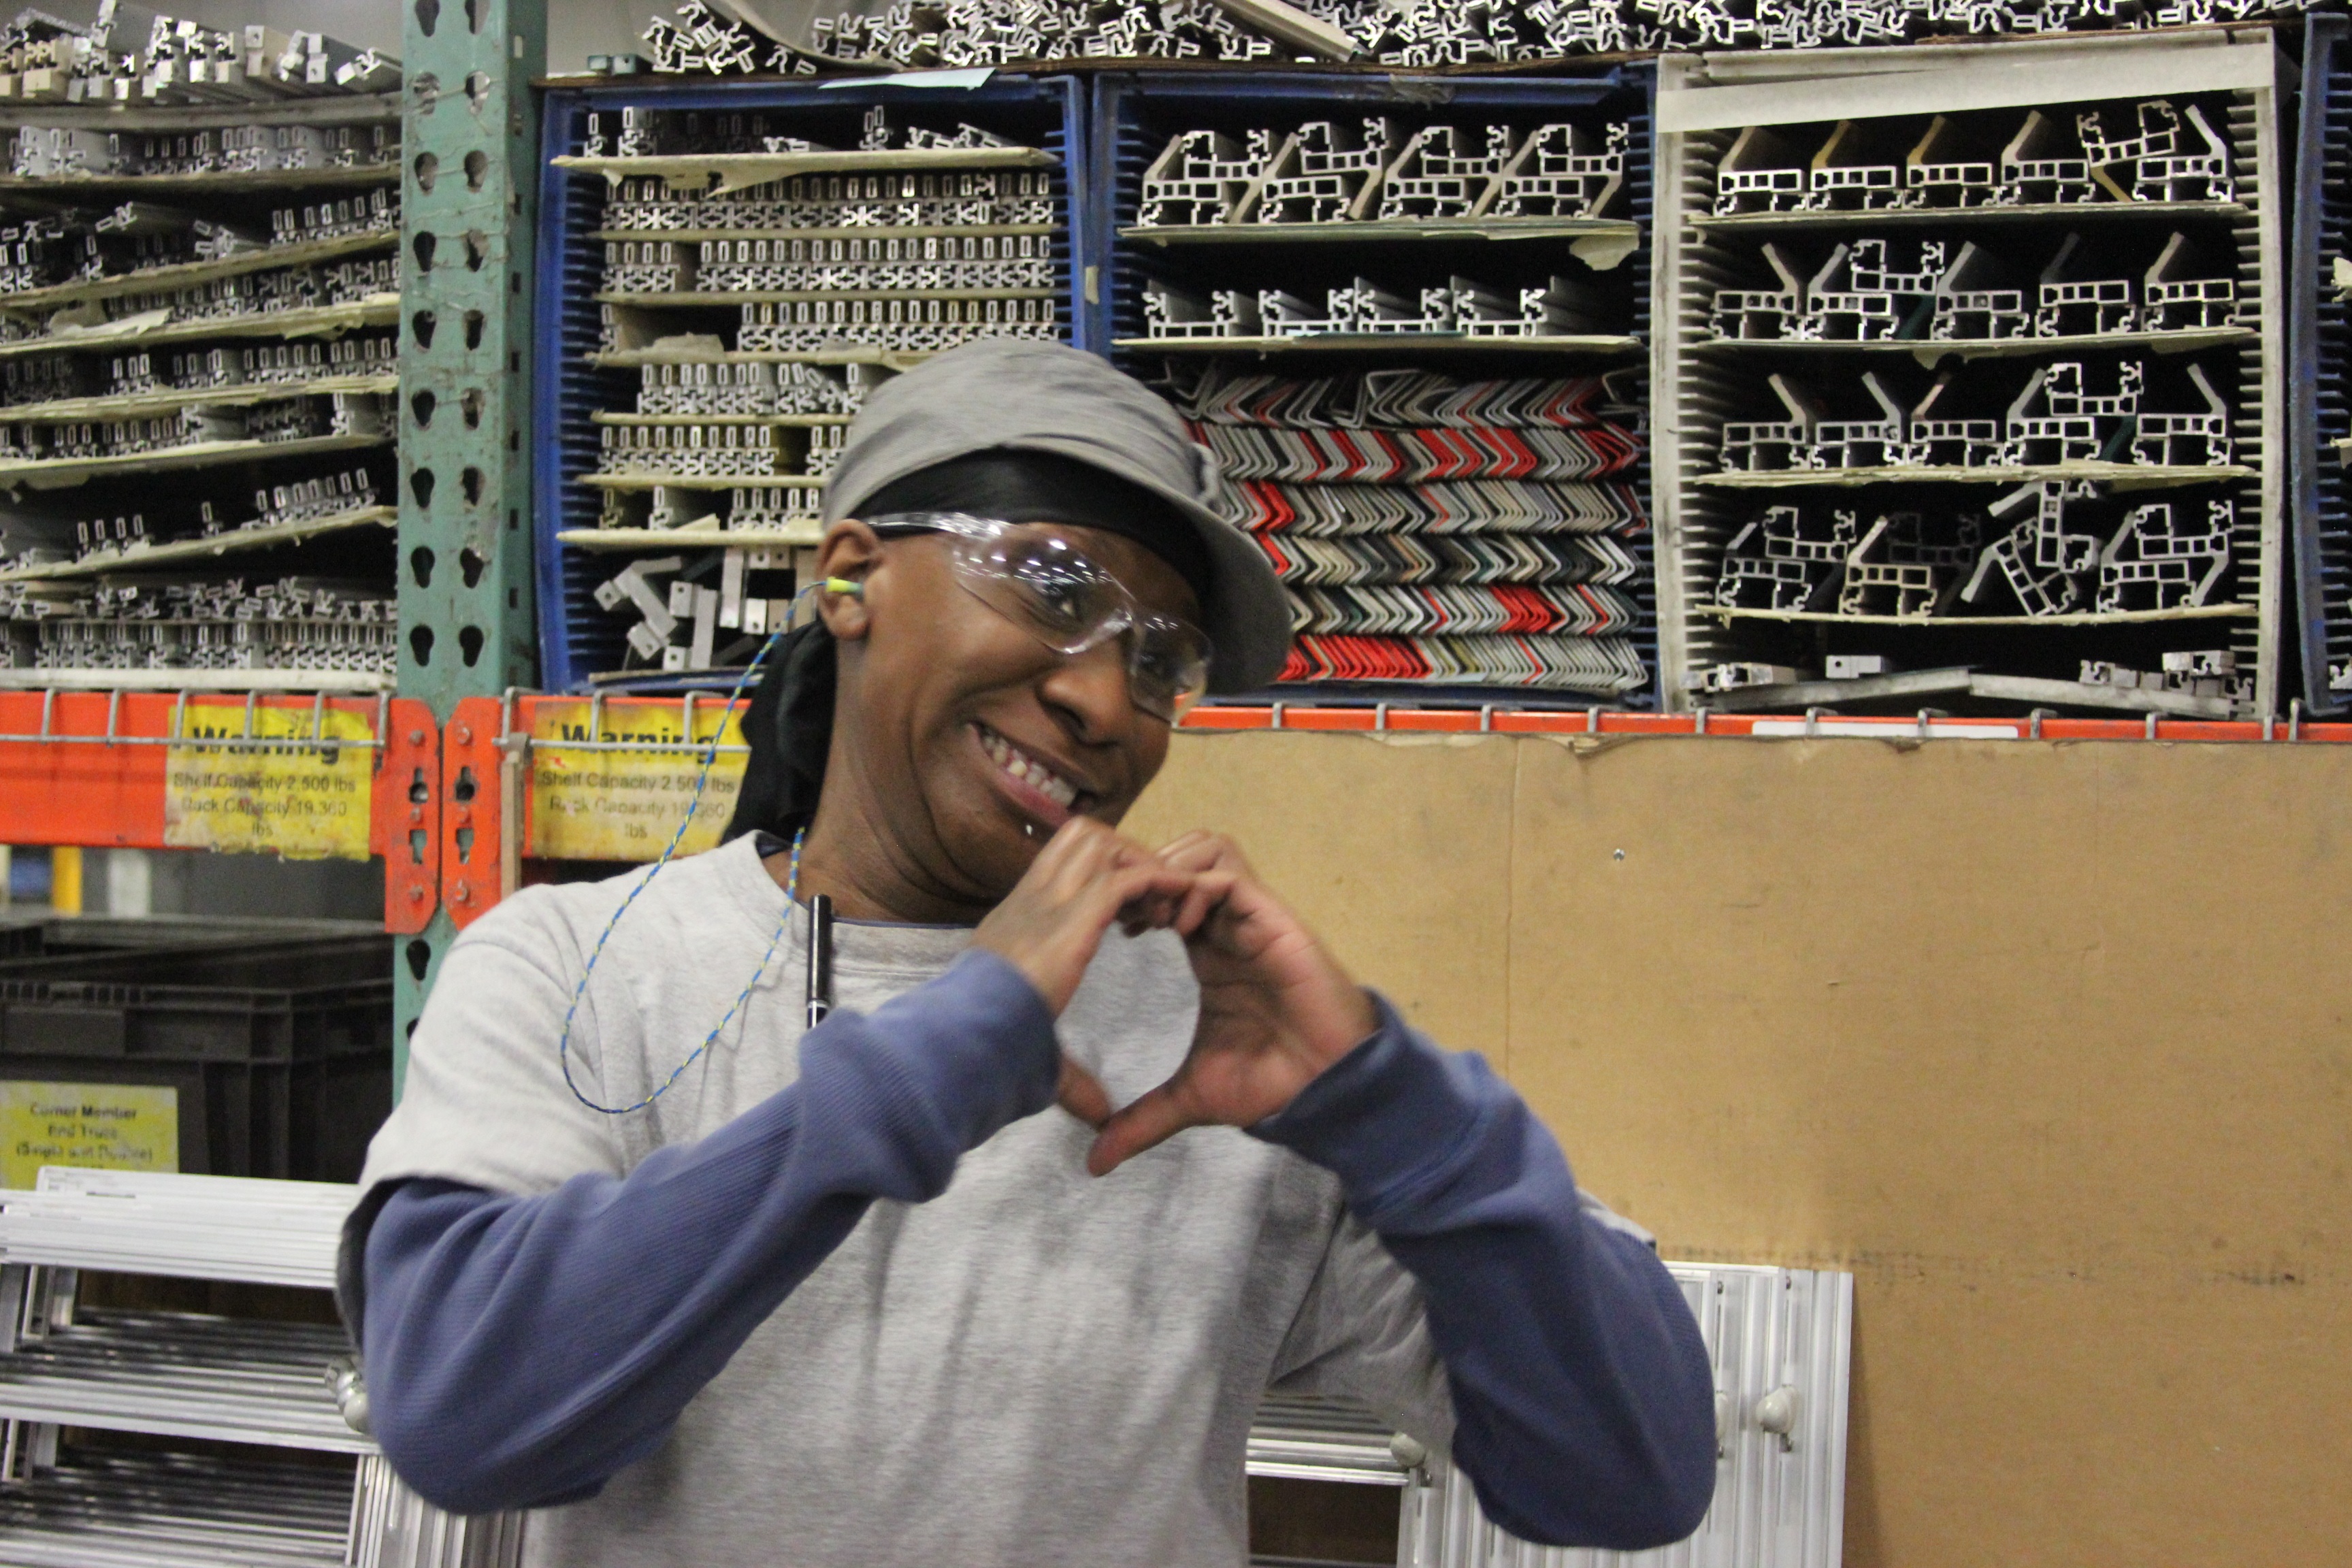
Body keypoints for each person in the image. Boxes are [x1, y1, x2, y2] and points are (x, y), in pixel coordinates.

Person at [340, 339, 1716, 1568]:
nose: (1104, 697)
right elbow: (466, 1416)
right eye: (1053, 589)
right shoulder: (584, 969)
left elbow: (1627, 1480)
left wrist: (1408, 1115)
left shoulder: (1226, 1050)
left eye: (1163, 658)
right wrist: (938, 1060)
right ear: (851, 579)